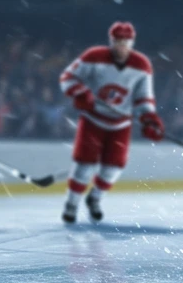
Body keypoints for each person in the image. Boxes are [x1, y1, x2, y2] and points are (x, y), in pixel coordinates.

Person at [58, 21, 165, 224]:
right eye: (117, 41)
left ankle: (95, 198)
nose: (121, 46)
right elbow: (67, 77)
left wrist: (148, 118)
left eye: (125, 42)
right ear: (111, 41)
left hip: (120, 124)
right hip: (93, 120)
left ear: (132, 42)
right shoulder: (94, 56)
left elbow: (144, 97)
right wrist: (81, 93)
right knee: (84, 164)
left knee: (114, 167)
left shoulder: (142, 65)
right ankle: (72, 203)